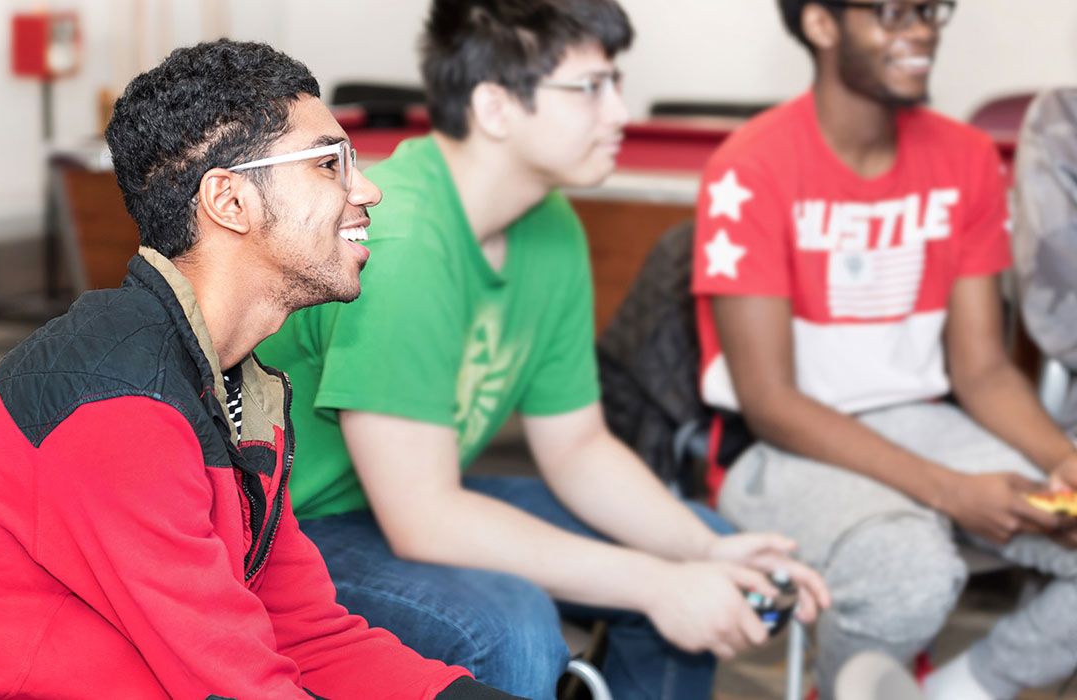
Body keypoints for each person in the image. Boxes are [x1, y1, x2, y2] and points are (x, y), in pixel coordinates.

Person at [0, 40, 521, 700]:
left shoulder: (238, 388)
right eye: (329, 164)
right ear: (229, 202)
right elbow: (234, 685)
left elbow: (305, 634)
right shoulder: (119, 406)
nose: (368, 189)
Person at [256, 1, 829, 698]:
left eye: (616, 83)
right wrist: (659, 583)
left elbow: (578, 447)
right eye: (590, 88)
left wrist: (701, 554)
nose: (620, 112)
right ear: (495, 106)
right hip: (295, 530)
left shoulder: (549, 224)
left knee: (696, 542)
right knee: (512, 625)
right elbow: (425, 519)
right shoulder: (401, 239)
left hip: (405, 502)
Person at [694, 2, 1077, 698]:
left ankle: (952, 691)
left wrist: (1062, 459)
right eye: (894, 12)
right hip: (780, 447)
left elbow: (983, 369)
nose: (923, 30)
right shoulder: (748, 167)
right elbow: (770, 402)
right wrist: (949, 491)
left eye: (931, 10)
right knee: (910, 574)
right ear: (820, 24)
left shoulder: (965, 157)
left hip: (924, 420)